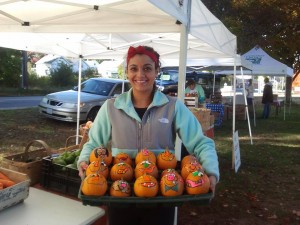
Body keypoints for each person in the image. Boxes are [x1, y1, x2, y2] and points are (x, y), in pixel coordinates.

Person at [77, 45, 219, 225]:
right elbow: (94, 144)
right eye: (134, 68)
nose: (140, 75)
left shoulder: (173, 106)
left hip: (162, 192)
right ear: (127, 72)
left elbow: (200, 142)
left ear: (157, 71)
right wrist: (83, 160)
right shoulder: (111, 107)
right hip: (120, 193)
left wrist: (211, 171)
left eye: (147, 68)